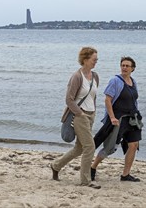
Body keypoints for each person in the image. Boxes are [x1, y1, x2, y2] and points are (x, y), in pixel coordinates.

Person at [51, 47, 101, 189]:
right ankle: (86, 180)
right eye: (94, 59)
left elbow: (93, 96)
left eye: (96, 60)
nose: (96, 62)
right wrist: (80, 113)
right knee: (90, 147)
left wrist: (93, 112)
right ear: (85, 59)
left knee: (79, 148)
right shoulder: (77, 77)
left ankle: (55, 166)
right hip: (80, 115)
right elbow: (69, 99)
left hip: (91, 114)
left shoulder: (95, 76)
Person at [91, 56, 143, 182]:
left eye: (127, 66)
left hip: (132, 119)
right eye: (122, 65)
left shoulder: (133, 81)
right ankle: (92, 167)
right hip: (118, 119)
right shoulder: (115, 80)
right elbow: (108, 100)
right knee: (110, 147)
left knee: (134, 144)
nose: (124, 68)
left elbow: (134, 100)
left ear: (133, 68)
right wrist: (112, 117)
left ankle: (125, 175)